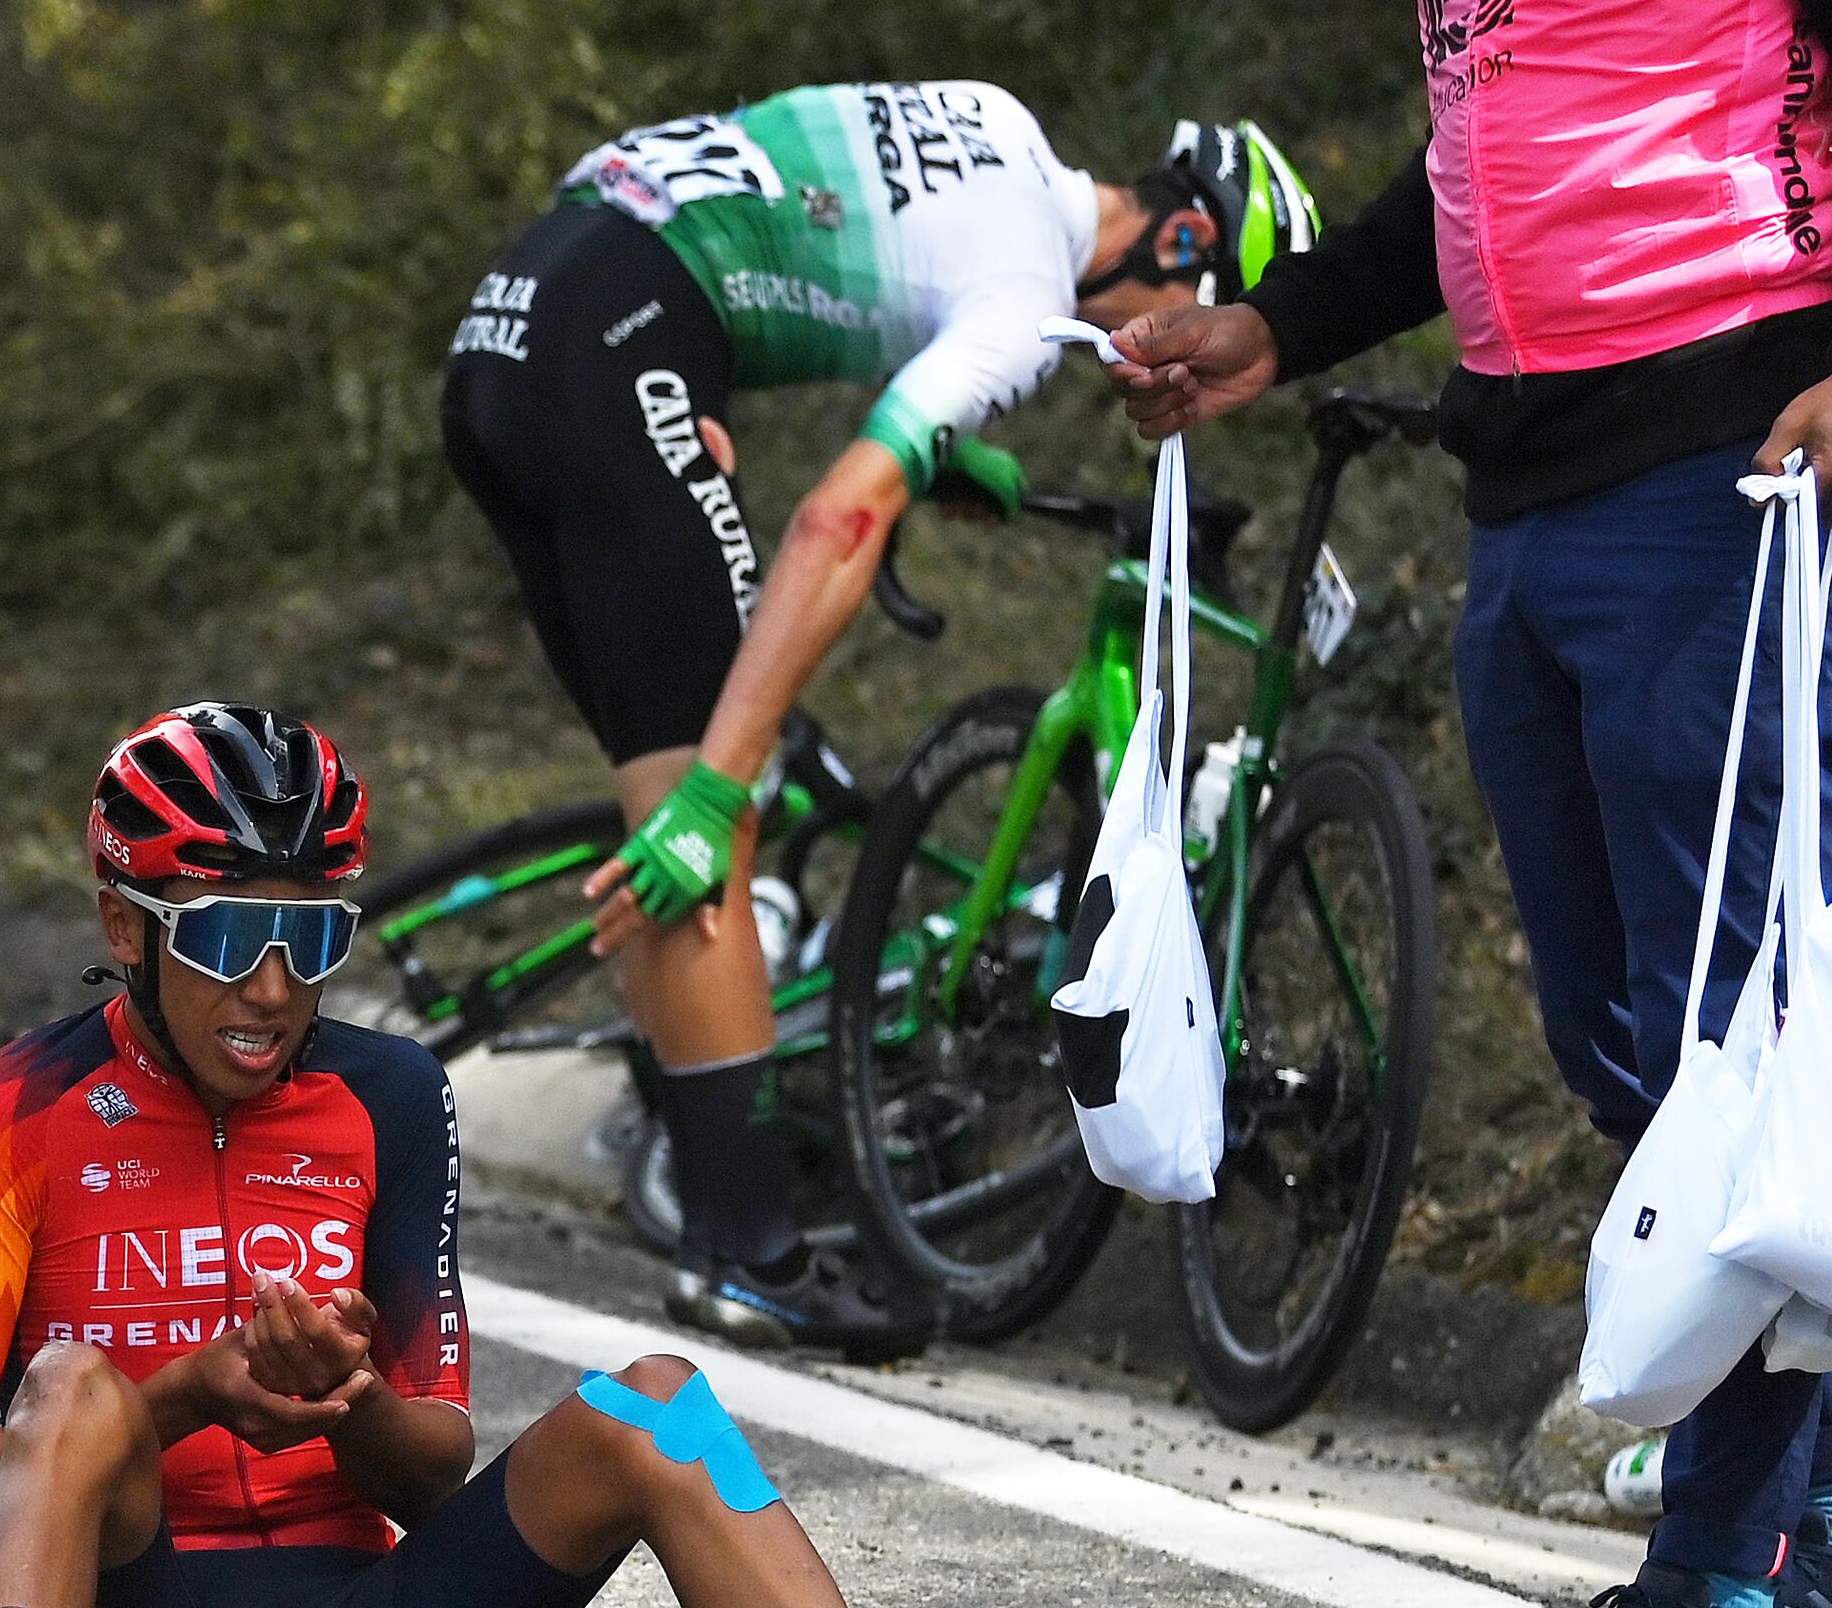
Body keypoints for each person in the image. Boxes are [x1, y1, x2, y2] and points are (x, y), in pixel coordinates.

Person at [1109, 0, 1832, 1608]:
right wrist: (1275, 328)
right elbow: (1481, 170)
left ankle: (1723, 1594)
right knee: (1621, 1040)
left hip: (1738, 462)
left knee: (1742, 1041)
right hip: (1529, 481)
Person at [0, 706, 1066, 1608]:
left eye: (311, 933)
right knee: (76, 1384)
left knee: (656, 1400)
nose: (274, 986)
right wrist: (181, 1394)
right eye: (232, 933)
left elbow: (433, 1472)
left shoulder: (390, 1097)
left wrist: (340, 1397)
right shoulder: (5, 1109)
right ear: (124, 925)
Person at [441, 91, 1316, 1353]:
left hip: (516, 320)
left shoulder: (996, 124)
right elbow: (836, 518)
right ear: (1180, 249)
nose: (1162, 362)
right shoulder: (1026, 300)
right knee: (703, 816)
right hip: (611, 342)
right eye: (1192, 329)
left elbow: (782, 217)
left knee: (665, 791)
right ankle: (748, 1256)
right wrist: (721, 788)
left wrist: (733, 384)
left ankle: (721, 1237)